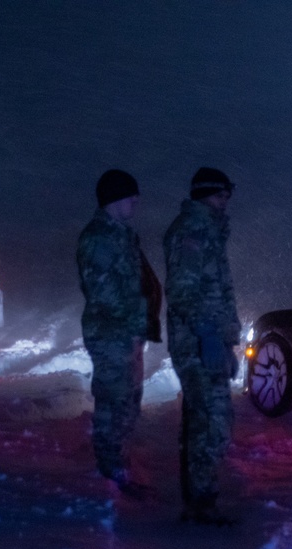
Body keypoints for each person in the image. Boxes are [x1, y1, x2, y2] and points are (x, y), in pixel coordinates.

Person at [164, 167, 241, 525]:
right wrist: (208, 334)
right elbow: (182, 291)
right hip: (195, 340)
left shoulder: (211, 231)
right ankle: (200, 501)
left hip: (209, 339)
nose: (226, 203)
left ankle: (200, 499)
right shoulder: (192, 231)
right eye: (220, 196)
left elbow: (221, 293)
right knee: (211, 420)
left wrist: (229, 340)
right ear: (205, 196)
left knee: (206, 419)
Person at [76, 169, 161, 498]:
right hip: (111, 335)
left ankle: (119, 468)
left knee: (128, 403)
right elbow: (103, 293)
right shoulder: (98, 238)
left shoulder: (123, 235)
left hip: (127, 333)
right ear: (113, 199)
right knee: (113, 404)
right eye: (130, 195)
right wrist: (140, 313)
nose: (136, 200)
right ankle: (110, 476)